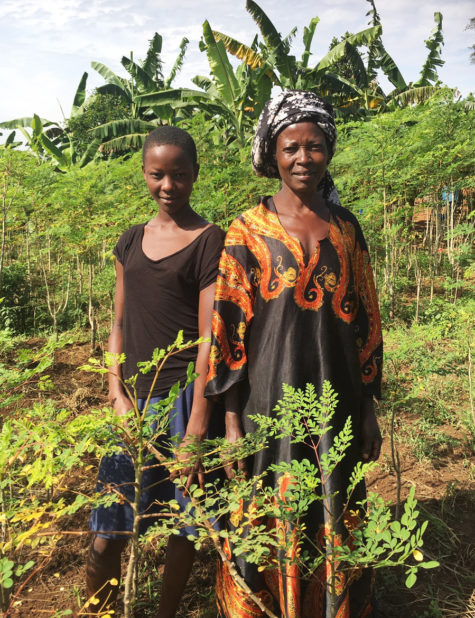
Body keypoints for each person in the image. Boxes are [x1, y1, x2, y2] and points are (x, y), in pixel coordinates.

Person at [205, 91, 383, 617]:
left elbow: (367, 323)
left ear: (329, 149)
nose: (303, 158)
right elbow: (227, 328)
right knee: (268, 509)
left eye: (315, 145)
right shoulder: (247, 231)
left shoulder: (347, 229)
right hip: (267, 405)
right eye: (291, 147)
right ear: (272, 153)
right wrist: (231, 416)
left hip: (339, 406)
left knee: (333, 503)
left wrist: (369, 410)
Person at [86, 126, 225, 617]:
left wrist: (196, 429)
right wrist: (115, 393)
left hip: (184, 400)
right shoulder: (129, 242)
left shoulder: (209, 241)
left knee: (181, 530)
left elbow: (211, 337)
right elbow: (119, 322)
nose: (168, 186)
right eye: (157, 175)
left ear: (194, 175)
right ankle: (98, 610)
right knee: (107, 532)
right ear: (144, 173)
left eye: (179, 175)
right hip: (133, 404)